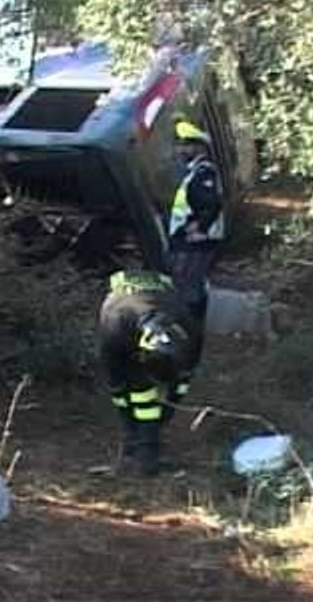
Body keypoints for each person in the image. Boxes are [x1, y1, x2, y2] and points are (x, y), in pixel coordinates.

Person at [97, 270, 199, 476]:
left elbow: (186, 376)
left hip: (161, 294)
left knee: (144, 400)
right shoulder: (114, 324)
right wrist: (129, 423)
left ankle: (145, 450)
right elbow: (115, 381)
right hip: (122, 315)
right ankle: (138, 447)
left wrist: (171, 405)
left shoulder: (189, 328)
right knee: (134, 390)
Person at [168, 117, 225, 362]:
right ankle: (190, 338)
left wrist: (198, 227)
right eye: (180, 144)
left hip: (196, 243)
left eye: (185, 145)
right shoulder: (195, 173)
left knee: (189, 290)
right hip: (191, 242)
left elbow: (211, 204)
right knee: (191, 287)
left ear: (198, 147)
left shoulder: (203, 173)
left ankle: (190, 342)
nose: (180, 149)